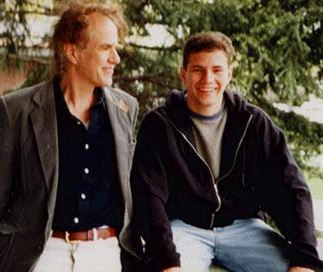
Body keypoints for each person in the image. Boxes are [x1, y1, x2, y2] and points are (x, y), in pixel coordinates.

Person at [131, 31, 323, 272]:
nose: (207, 79)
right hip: (185, 229)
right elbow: (149, 196)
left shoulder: (252, 123)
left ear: (229, 74)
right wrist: (165, 258)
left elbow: (290, 187)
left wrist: (305, 257)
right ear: (183, 74)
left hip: (244, 228)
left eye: (217, 70)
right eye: (198, 69)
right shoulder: (160, 125)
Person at [0, 1, 141, 271]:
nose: (116, 59)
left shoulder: (125, 108)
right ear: (72, 51)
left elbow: (133, 193)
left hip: (104, 251)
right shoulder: (18, 110)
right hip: (41, 252)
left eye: (116, 48)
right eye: (106, 48)